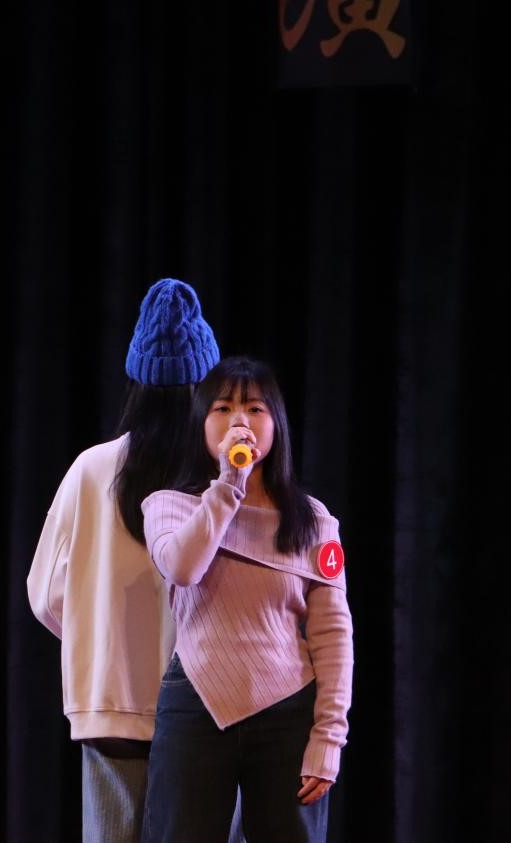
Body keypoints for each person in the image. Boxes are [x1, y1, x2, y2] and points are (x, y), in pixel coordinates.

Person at [27, 278, 220, 843]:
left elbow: (45, 595)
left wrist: (100, 637)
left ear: (136, 381)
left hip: (110, 702)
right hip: (208, 707)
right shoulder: (223, 478)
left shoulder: (91, 470)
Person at [140, 356, 354, 843]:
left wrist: (328, 737)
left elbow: (333, 634)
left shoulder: (312, 520)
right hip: (195, 700)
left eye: (255, 408)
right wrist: (228, 485)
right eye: (223, 408)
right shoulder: (170, 505)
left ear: (277, 424)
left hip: (289, 707)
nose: (240, 420)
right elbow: (183, 568)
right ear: (201, 423)